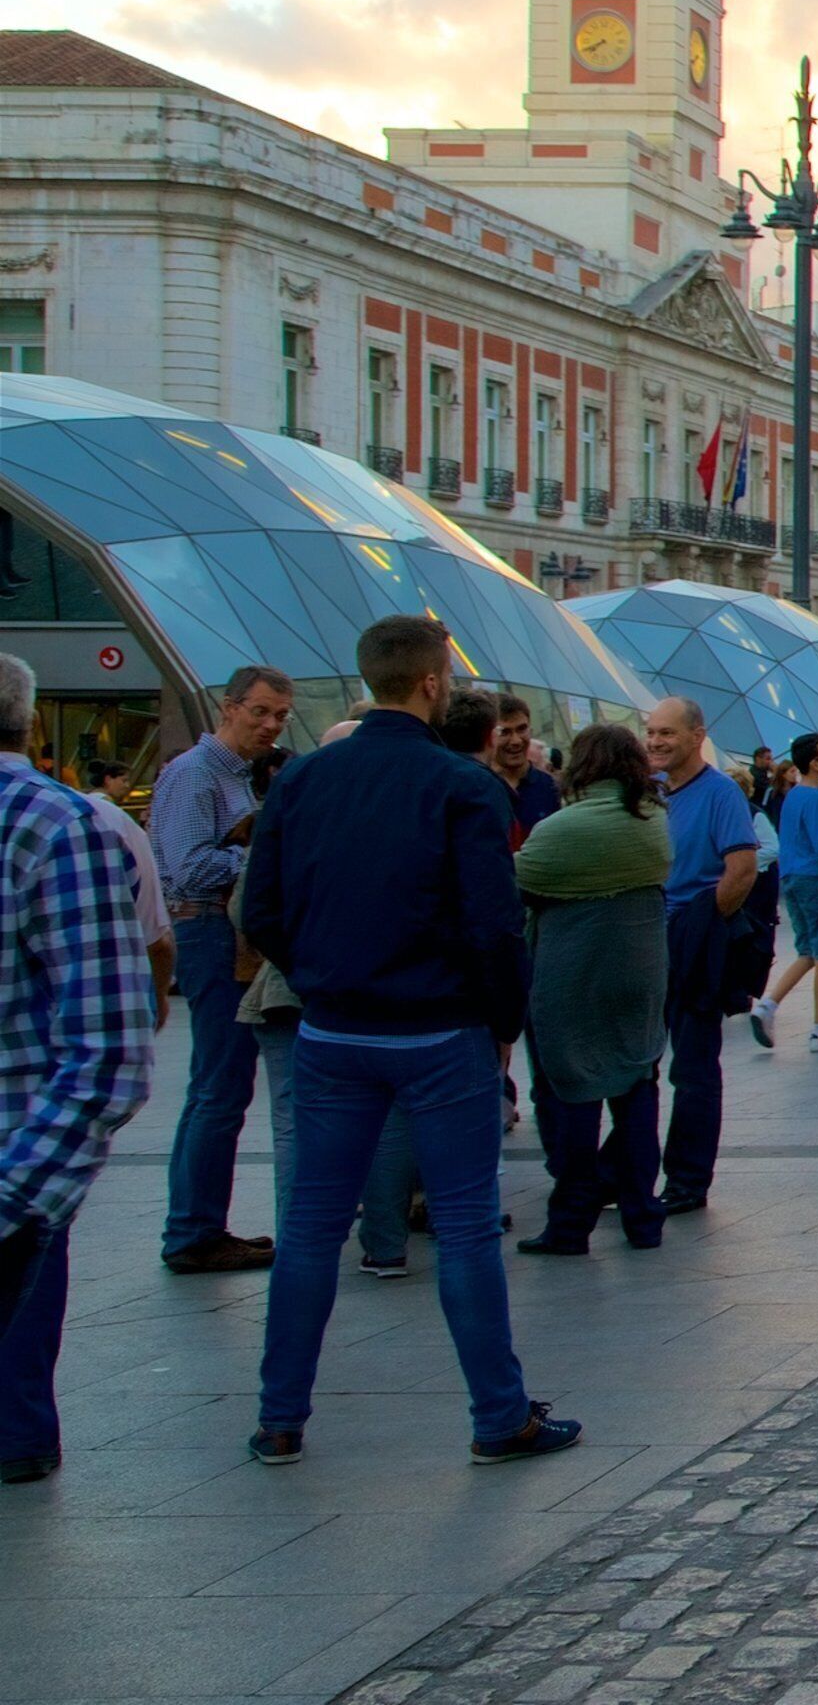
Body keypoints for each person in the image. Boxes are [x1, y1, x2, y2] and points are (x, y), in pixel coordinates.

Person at [241, 615, 576, 1466]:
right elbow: (493, 924)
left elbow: (263, 909)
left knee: (313, 1225)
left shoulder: (302, 780)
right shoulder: (462, 788)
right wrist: (502, 1019)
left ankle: (280, 1416)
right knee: (465, 1225)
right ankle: (499, 1416)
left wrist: (318, 973)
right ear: (431, 683)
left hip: (333, 1025)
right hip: (437, 1028)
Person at [0, 652, 160, 1487]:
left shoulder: (54, 826)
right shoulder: (64, 827)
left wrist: (12, 1204)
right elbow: (111, 1046)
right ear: (30, 723)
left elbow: (110, 1054)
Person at [152, 663, 293, 1274]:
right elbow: (188, 870)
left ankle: (198, 1224)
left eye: (281, 715)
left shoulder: (237, 775)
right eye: (260, 711)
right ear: (229, 707)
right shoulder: (196, 775)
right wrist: (259, 861)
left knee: (220, 1085)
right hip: (209, 929)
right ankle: (192, 1231)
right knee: (218, 1085)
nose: (270, 724)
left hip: (225, 931)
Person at [510, 724, 671, 1255]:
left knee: (575, 1093)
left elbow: (519, 881)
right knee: (636, 1089)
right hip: (639, 976)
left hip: (573, 978)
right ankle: (643, 1217)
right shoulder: (653, 822)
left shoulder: (560, 829)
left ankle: (571, 1222)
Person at [641, 698, 754, 1214]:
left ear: (696, 735)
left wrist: (702, 923)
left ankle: (687, 1179)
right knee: (635, 1064)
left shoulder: (720, 793)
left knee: (692, 1065)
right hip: (643, 938)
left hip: (691, 935)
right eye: (651, 733)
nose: (657, 742)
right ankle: (623, 1170)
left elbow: (742, 869)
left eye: (667, 733)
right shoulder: (649, 792)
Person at [753, 734, 818, 1047]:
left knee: (807, 951)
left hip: (791, 874)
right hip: (814, 875)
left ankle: (767, 1005)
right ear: (815, 763)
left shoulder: (794, 795)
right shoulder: (815, 797)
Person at [483, 695, 558, 843]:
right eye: (505, 732)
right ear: (490, 735)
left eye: (521, 729)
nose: (516, 741)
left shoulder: (551, 788)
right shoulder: (479, 788)